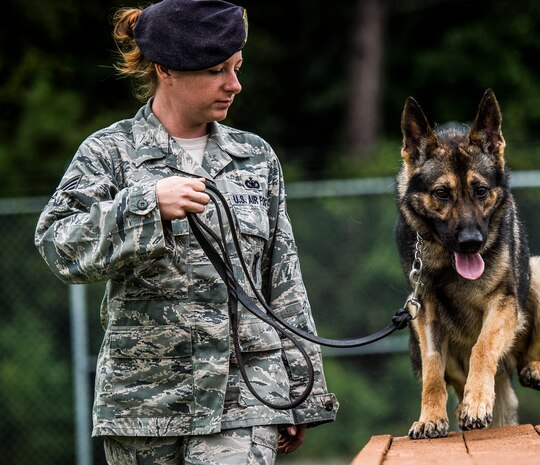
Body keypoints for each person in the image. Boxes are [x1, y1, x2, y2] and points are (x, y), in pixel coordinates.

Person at [34, 1, 338, 463]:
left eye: (237, 68)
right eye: (217, 71)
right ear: (166, 70)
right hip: (143, 403)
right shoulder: (108, 153)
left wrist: (302, 390)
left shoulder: (255, 157)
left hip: (246, 395)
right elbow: (58, 246)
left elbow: (284, 279)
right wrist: (145, 206)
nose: (234, 85)